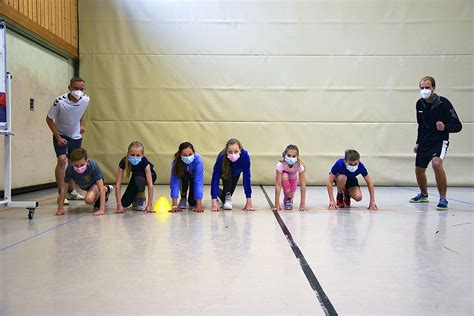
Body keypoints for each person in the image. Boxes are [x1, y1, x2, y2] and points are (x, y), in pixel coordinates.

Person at [409, 76, 462, 210]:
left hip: (439, 140)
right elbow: (420, 125)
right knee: (419, 170)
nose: (424, 90)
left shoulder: (443, 103)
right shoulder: (419, 104)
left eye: (427, 87)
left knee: (436, 163)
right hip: (425, 141)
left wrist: (445, 127)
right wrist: (418, 142)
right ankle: (424, 194)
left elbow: (458, 125)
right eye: (422, 88)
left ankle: (443, 199)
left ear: (433, 88)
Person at [46, 77, 90, 205]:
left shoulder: (86, 99)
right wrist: (58, 137)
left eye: (81, 89)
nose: (79, 92)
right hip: (61, 134)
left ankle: (71, 191)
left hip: (76, 136)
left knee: (73, 163)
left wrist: (81, 124)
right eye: (76, 89)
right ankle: (61, 193)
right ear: (69, 88)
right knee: (61, 161)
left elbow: (81, 112)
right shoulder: (59, 102)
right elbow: (49, 119)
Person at [57, 148, 112, 216]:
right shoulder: (70, 169)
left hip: (95, 184)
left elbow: (100, 188)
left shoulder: (93, 166)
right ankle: (105, 190)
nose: (79, 168)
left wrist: (102, 209)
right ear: (71, 163)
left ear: (87, 161)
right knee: (92, 196)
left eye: (82, 165)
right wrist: (60, 208)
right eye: (76, 166)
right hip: (84, 185)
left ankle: (106, 189)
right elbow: (64, 188)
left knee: (89, 200)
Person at [210, 138, 254, 211]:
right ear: (226, 151)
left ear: (240, 150)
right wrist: (214, 203)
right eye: (230, 152)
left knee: (224, 198)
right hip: (224, 172)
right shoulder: (221, 157)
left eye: (236, 151)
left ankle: (218, 192)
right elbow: (215, 178)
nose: (233, 154)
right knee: (227, 197)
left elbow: (247, 178)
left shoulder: (245, 156)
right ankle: (224, 197)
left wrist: (249, 201)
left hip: (236, 173)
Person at [115, 141, 156, 213]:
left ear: (142, 155)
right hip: (136, 178)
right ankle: (135, 197)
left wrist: (150, 204)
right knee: (124, 203)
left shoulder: (144, 161)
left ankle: (141, 196)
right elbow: (118, 184)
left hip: (150, 176)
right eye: (132, 154)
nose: (135, 157)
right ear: (128, 154)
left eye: (138, 155)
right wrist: (119, 204)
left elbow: (150, 184)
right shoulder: (124, 161)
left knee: (139, 176)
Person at [169, 142, 204, 213]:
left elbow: (198, 182)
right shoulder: (176, 162)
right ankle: (183, 197)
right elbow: (174, 182)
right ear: (180, 155)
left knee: (192, 203)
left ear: (194, 152)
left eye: (190, 154)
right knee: (184, 178)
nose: (188, 157)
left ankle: (217, 192)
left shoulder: (198, 160)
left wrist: (199, 206)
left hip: (194, 178)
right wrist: (174, 206)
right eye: (184, 155)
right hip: (184, 177)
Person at [272, 144, 307, 211]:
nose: (291, 158)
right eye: (289, 155)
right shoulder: (280, 164)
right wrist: (277, 204)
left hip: (293, 178)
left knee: (290, 196)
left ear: (297, 157)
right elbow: (278, 185)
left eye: (293, 156)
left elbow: (303, 185)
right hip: (283, 177)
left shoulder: (299, 165)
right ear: (285, 155)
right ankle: (287, 197)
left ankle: (288, 200)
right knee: (285, 176)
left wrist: (302, 204)